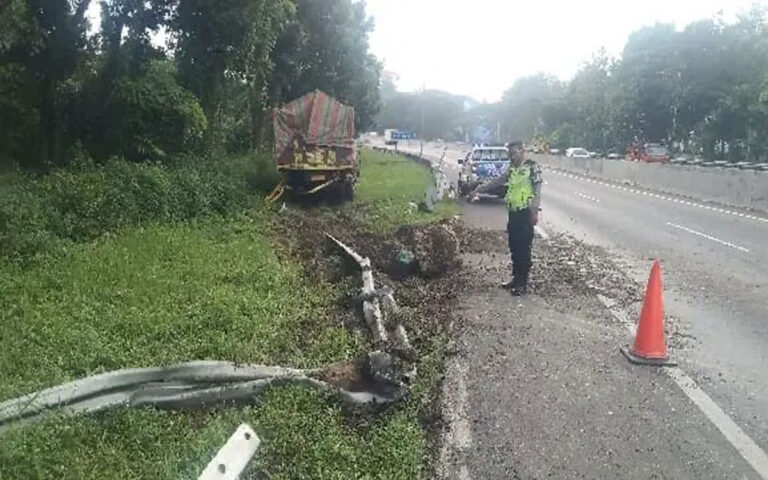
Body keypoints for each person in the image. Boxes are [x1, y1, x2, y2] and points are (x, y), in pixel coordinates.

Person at [470, 141, 542, 295]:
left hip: (525, 212)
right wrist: (479, 189)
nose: (512, 157)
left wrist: (534, 211)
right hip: (513, 212)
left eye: (514, 153)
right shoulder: (512, 169)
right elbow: (498, 181)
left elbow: (537, 191)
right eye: (510, 154)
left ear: (522, 151)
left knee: (523, 250)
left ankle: (522, 284)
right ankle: (515, 279)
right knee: (514, 247)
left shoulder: (531, 167)